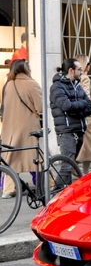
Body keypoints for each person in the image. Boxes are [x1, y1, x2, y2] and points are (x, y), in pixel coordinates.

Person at [0, 60, 42, 198]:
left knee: (11, 157)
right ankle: (45, 184)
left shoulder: (8, 85)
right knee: (36, 157)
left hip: (9, 127)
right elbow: (40, 108)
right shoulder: (32, 84)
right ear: (26, 69)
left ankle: (8, 189)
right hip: (29, 128)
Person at [50, 58, 91, 184]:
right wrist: (81, 104)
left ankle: (64, 193)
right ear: (71, 70)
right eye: (79, 69)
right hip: (66, 131)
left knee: (71, 164)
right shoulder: (57, 87)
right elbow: (65, 106)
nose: (81, 72)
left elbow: (90, 106)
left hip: (79, 129)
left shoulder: (77, 86)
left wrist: (77, 108)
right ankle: (57, 195)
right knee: (67, 166)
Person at [74, 55, 91, 174]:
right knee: (88, 145)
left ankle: (79, 168)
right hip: (87, 115)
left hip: (78, 114)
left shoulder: (73, 78)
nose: (89, 66)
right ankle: (84, 170)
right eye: (88, 64)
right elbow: (86, 94)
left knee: (82, 144)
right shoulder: (85, 78)